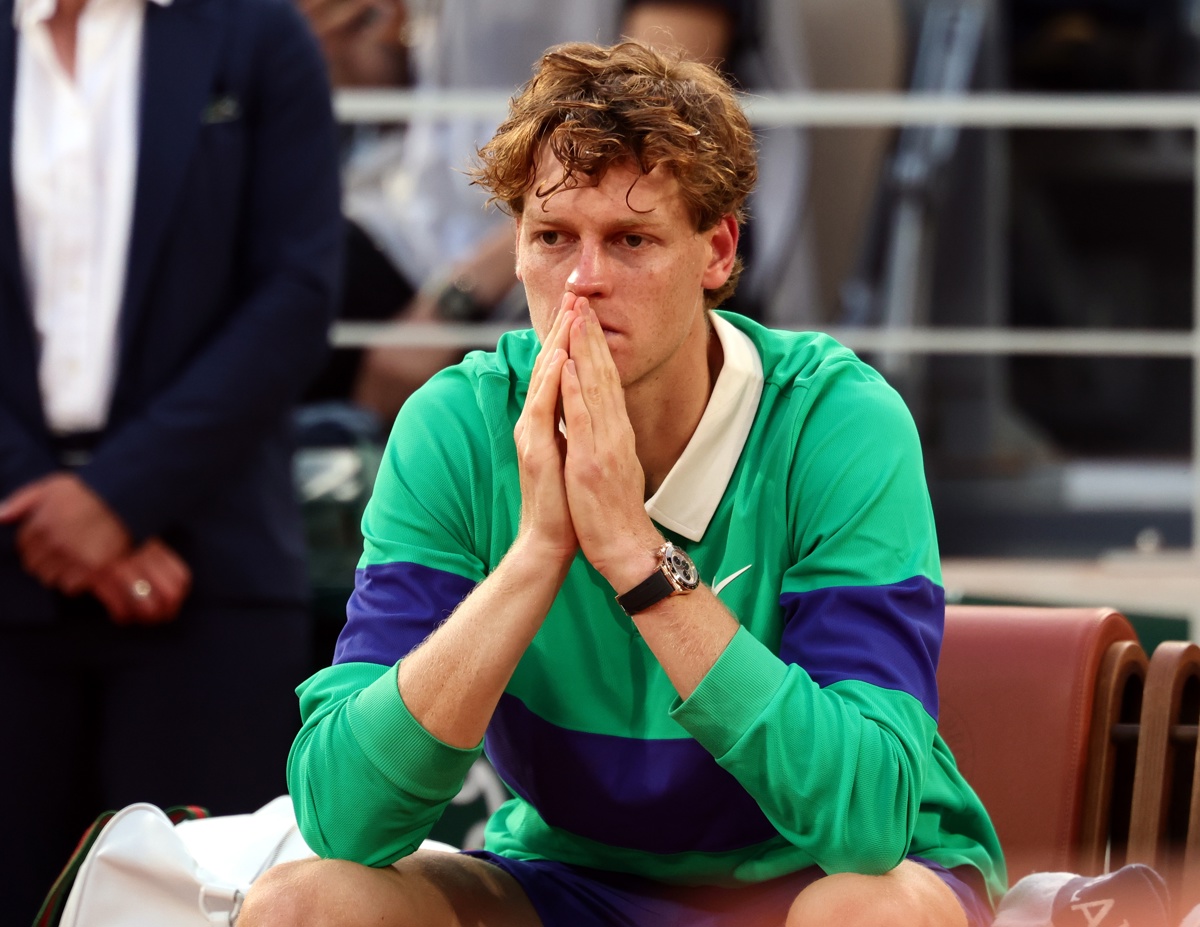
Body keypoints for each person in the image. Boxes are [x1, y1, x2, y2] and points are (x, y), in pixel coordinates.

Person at [240, 40, 1005, 927]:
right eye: (552, 237)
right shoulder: (456, 425)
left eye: (631, 240)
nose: (584, 283)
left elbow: (868, 821)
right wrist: (536, 556)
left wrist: (636, 557)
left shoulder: (838, 421)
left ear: (717, 251)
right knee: (308, 902)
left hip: (818, 878)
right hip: (570, 875)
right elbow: (343, 817)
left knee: (870, 914)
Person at [0, 0, 342, 921]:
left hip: (210, 565)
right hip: (7, 550)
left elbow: (297, 290)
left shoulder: (258, 32)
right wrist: (50, 502)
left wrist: (117, 499)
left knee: (200, 907)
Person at [297, 0, 811, 423]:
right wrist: (335, 38)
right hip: (425, 229)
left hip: (564, 227)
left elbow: (647, 125)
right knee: (283, 290)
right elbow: (413, 93)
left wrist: (448, 304)